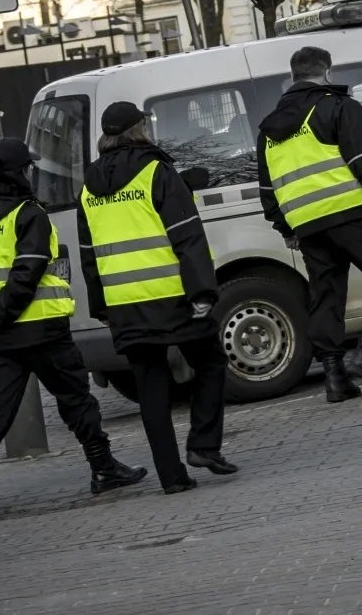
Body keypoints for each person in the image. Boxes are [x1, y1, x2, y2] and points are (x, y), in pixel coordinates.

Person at [0, 137, 147, 521]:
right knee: (76, 400)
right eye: (30, 167)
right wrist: (0, 312)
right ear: (21, 171)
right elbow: (29, 271)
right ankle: (103, 469)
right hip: (42, 330)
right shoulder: (29, 213)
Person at [77, 102, 236, 495]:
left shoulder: (89, 186)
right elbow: (187, 235)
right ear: (139, 129)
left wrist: (101, 306)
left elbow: (88, 255)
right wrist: (202, 292)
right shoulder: (156, 171)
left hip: (124, 303)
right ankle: (203, 445)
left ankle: (172, 477)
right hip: (170, 296)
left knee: (151, 387)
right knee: (211, 362)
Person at [257, 46, 362, 403]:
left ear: (293, 76)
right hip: (351, 212)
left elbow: (267, 187)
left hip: (308, 225)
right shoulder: (338, 106)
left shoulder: (269, 128)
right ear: (326, 72)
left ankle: (335, 378)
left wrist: (286, 228)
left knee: (327, 295)